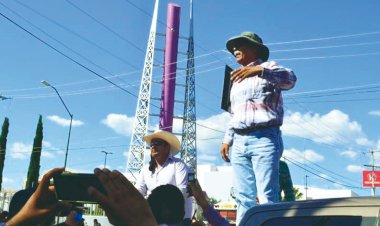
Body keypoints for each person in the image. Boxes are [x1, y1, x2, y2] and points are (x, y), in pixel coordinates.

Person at [220, 31, 297, 224]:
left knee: (267, 196)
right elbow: (234, 113)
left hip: (264, 137)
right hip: (238, 141)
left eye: (240, 45)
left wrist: (261, 71)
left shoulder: (269, 67)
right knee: (243, 197)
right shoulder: (235, 79)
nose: (235, 49)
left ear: (254, 48)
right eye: (233, 47)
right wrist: (227, 139)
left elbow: (291, 80)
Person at [135, 130, 192, 223]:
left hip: (177, 220)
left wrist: (156, 205)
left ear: (167, 147)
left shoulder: (178, 165)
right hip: (153, 219)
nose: (153, 146)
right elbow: (139, 191)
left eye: (157, 143)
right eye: (152, 144)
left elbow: (182, 191)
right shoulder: (145, 169)